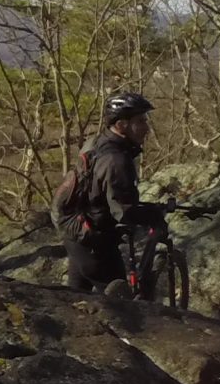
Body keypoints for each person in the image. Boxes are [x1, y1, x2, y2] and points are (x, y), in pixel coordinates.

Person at [66, 91, 155, 292]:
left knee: (78, 299)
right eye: (140, 121)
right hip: (93, 238)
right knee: (123, 305)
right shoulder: (116, 160)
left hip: (78, 230)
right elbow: (123, 211)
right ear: (122, 125)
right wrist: (152, 214)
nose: (146, 127)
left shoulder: (98, 142)